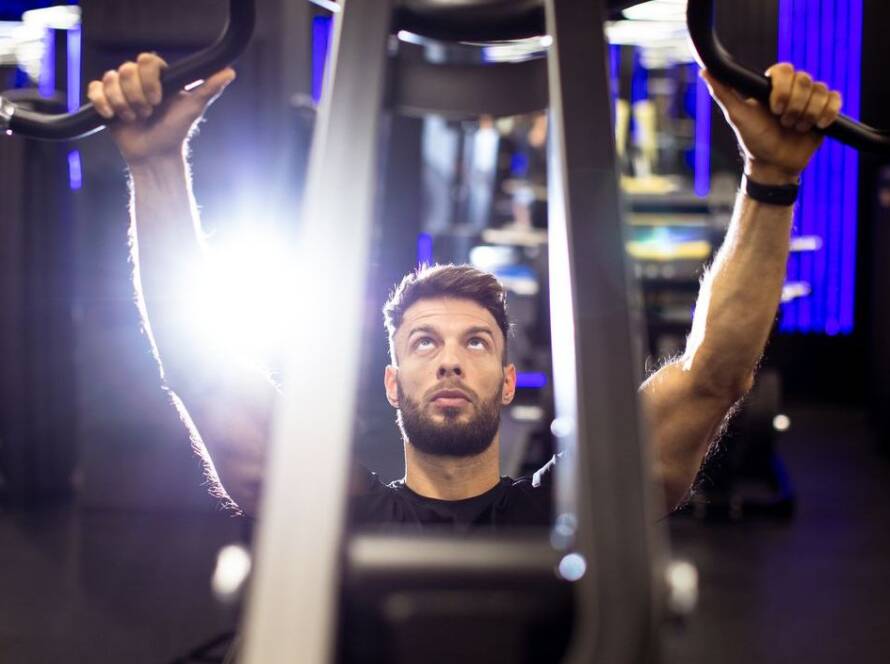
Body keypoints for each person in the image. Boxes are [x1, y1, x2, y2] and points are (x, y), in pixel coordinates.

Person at [86, 53, 842, 527]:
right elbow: (200, 373)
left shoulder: (571, 516)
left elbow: (714, 375)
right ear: (392, 383)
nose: (449, 361)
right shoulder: (339, 519)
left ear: (509, 380)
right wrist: (155, 168)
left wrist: (772, 180)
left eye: (475, 342)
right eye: (425, 343)